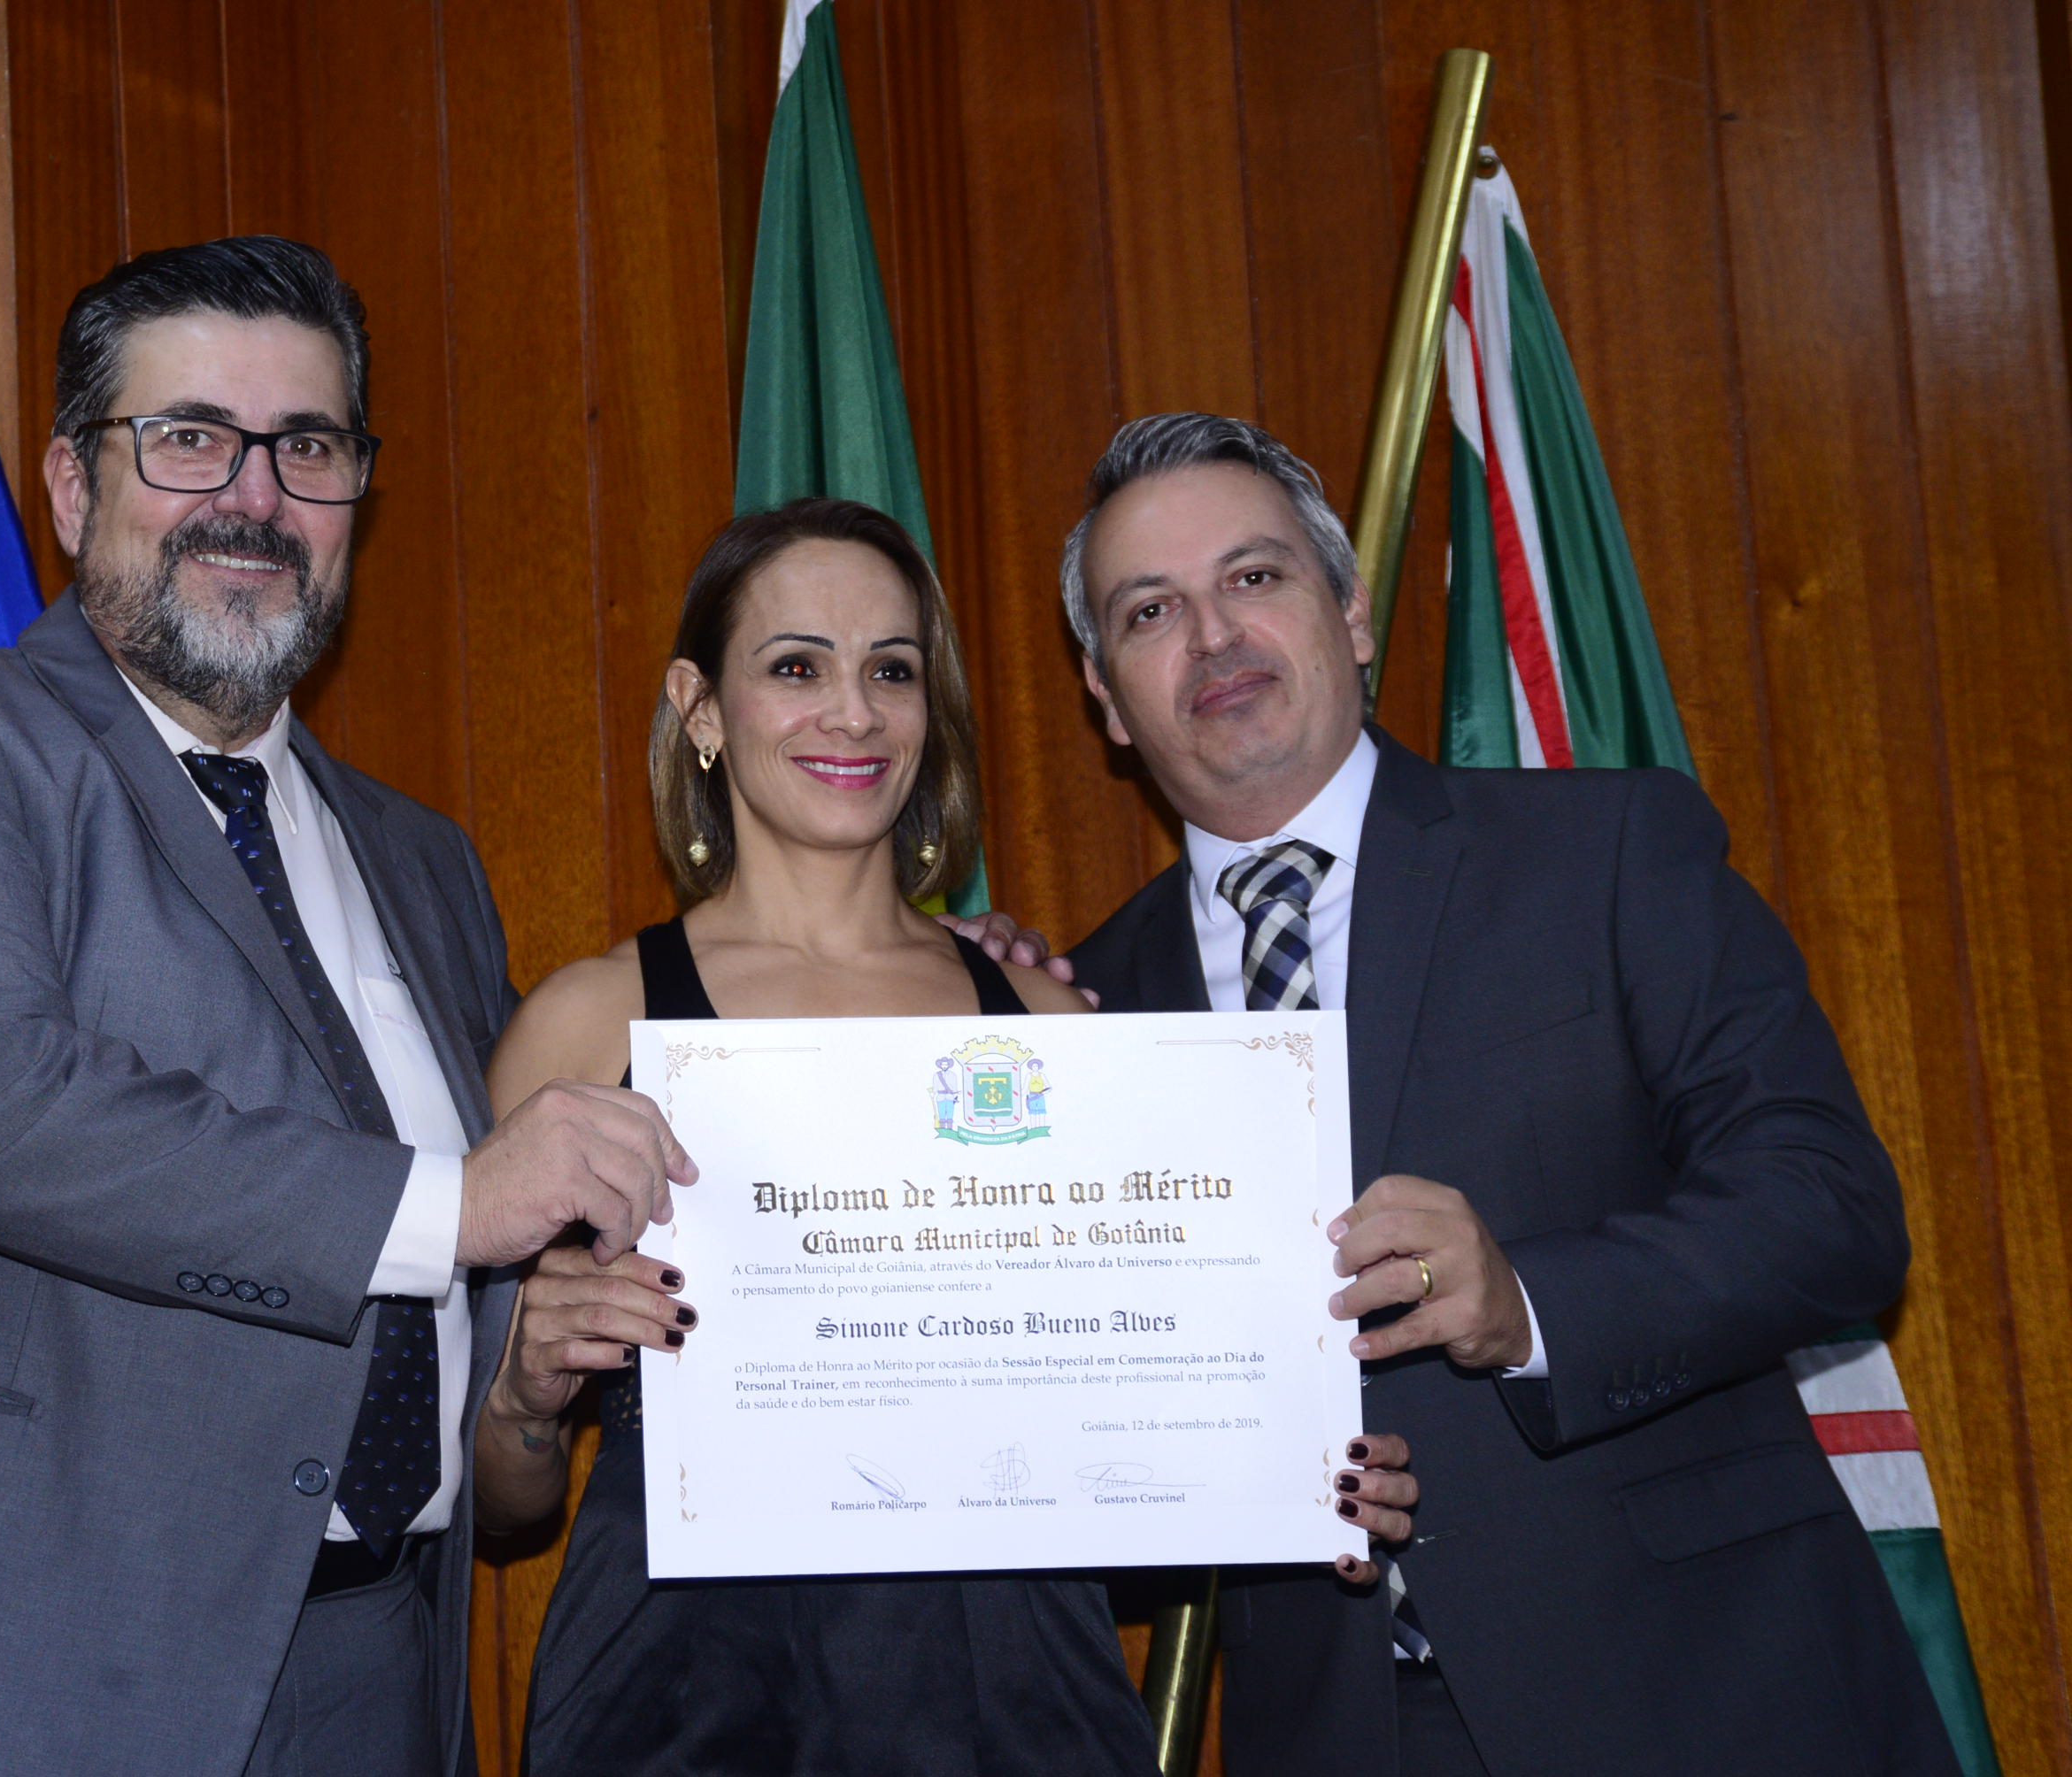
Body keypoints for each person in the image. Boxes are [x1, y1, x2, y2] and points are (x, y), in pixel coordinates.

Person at [0, 237, 697, 1777]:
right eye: (188, 437)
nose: (253, 498)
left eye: (307, 448)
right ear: (72, 488)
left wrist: (934, 983)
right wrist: (452, 1207)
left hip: (380, 1681)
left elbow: (530, 1224)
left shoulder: (425, 864)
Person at [1039, 412, 1959, 1774]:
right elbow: (1076, 1468)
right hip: (1345, 1735)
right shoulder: (1074, 1017)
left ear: (1353, 615)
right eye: (1150, 611)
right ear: (1109, 698)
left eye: (1255, 576)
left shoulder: (1608, 850)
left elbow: (1834, 1213)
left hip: (1706, 1692)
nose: (1214, 636)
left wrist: (1528, 1305)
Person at [474, 496, 1417, 1777]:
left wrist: (1294, 1473)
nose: (853, 714)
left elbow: (1134, 1399)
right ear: (701, 708)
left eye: (892, 671)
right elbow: (498, 1500)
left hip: (1013, 1686)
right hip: (682, 1692)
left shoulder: (1049, 1019)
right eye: (795, 668)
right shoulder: (585, 1025)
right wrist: (527, 1396)